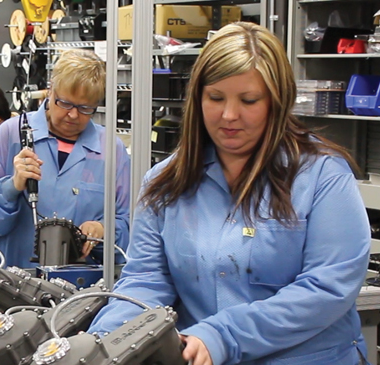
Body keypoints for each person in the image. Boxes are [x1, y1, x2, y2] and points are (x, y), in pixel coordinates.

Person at [88, 22, 370, 365]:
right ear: (197, 98)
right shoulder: (165, 182)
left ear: (276, 102)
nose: (229, 115)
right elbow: (146, 280)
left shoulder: (322, 176)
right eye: (215, 98)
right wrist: (105, 341)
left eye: (248, 100)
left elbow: (327, 289)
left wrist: (221, 336)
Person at [0, 49, 130, 268]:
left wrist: (103, 230)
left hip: (80, 289)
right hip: (10, 282)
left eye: (85, 108)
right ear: (50, 90)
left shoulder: (110, 150)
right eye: (65, 103)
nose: (73, 115)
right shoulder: (11, 134)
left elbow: (128, 224)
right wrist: (11, 187)